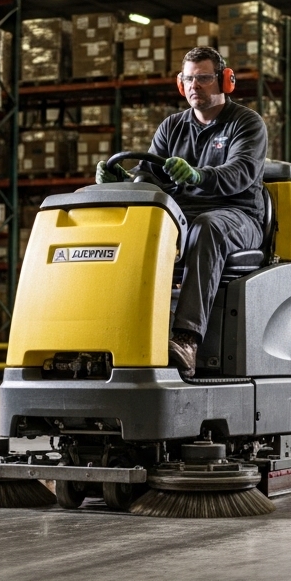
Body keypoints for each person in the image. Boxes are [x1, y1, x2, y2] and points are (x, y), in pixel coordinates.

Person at [96, 46, 267, 376]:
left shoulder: (246, 123)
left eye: (203, 78)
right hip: (182, 216)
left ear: (225, 81)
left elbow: (241, 173)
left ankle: (186, 340)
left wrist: (198, 175)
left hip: (237, 215)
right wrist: (125, 181)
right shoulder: (172, 127)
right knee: (137, 226)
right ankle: (117, 330)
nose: (194, 85)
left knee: (207, 227)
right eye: (188, 78)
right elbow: (150, 179)